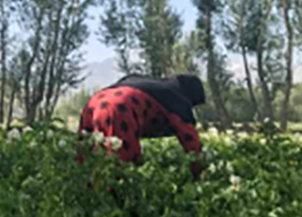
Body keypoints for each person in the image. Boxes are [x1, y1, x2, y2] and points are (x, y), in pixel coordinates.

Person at [78, 74, 207, 179]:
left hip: (94, 102)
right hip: (118, 107)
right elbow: (191, 143)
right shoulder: (177, 100)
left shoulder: (153, 86)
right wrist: (199, 175)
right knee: (124, 170)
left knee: (85, 160)